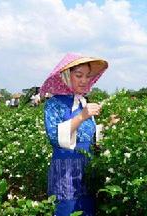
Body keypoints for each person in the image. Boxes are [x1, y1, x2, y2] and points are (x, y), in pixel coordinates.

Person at [40, 53, 108, 216]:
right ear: (66, 76)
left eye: (88, 76)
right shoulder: (54, 104)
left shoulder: (84, 102)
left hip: (86, 168)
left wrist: (107, 126)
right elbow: (55, 137)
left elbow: (88, 135)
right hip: (66, 170)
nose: (84, 80)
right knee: (67, 208)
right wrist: (82, 116)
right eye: (79, 75)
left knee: (87, 208)